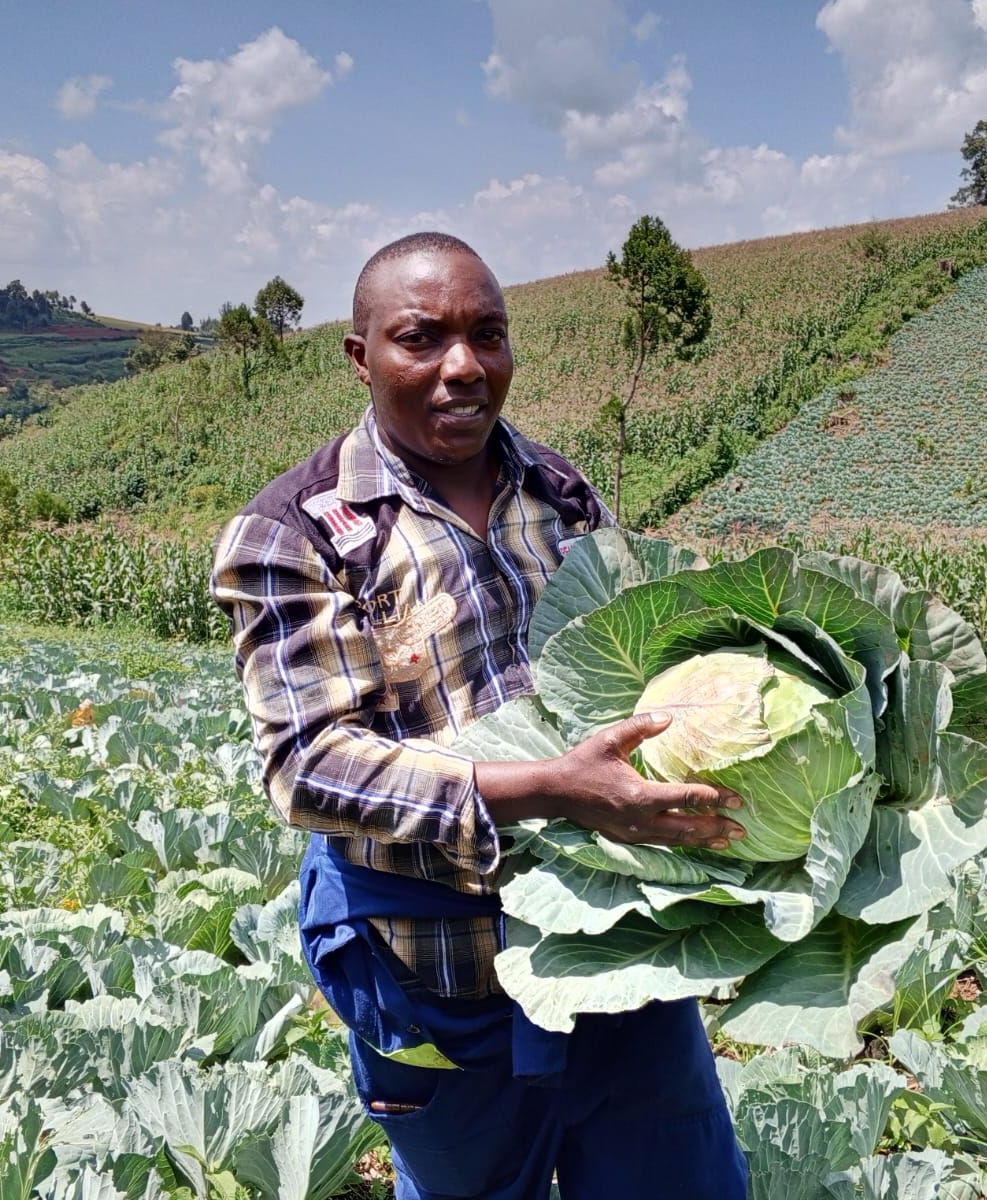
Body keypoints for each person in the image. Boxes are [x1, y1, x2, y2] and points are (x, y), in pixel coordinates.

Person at [210, 232, 750, 1200]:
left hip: (618, 944)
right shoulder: (299, 532)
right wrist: (555, 792)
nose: (463, 367)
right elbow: (308, 765)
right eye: (421, 338)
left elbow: (634, 664)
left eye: (487, 336)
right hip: (439, 973)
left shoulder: (558, 494)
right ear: (360, 354)